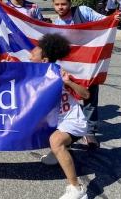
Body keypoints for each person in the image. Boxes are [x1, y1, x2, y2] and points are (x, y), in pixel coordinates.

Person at [52, 0, 121, 149]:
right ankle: (68, 130)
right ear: (53, 5)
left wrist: (115, 18)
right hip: (68, 66)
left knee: (90, 98)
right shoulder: (56, 24)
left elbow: (105, 22)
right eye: (57, 5)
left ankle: (90, 132)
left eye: (64, 4)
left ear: (70, 3)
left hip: (88, 63)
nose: (61, 7)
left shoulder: (82, 12)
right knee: (68, 98)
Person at [30, 33, 89, 199]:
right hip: (53, 121)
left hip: (72, 120)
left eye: (33, 54)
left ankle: (76, 188)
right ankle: (59, 152)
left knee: (56, 141)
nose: (29, 55)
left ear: (43, 60)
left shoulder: (61, 73)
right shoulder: (32, 74)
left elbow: (85, 95)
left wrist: (68, 82)